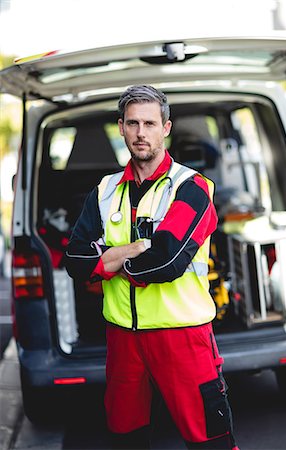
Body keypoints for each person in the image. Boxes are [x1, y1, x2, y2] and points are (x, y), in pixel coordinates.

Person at [65, 85, 239, 450]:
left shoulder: (191, 188)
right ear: (121, 127)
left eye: (149, 123)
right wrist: (135, 248)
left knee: (210, 441)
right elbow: (76, 262)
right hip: (122, 339)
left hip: (182, 337)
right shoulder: (105, 190)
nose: (141, 133)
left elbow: (165, 263)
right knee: (126, 440)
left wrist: (107, 259)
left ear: (166, 127)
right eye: (132, 123)